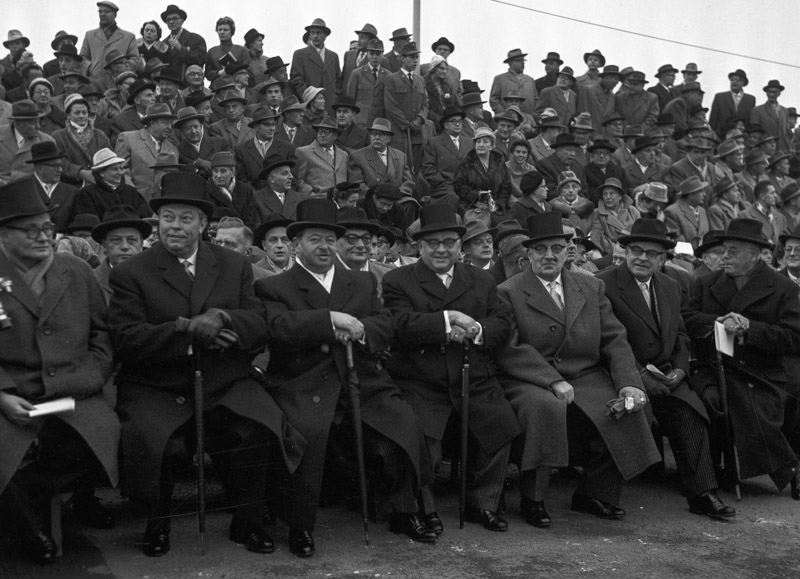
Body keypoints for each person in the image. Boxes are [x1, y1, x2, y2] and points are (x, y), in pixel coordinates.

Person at [108, 171, 305, 557]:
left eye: (185, 218)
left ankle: (246, 521)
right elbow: (126, 338)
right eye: (168, 218)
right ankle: (157, 523)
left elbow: (259, 325)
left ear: (203, 224)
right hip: (158, 384)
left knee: (258, 427)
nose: (175, 226)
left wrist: (224, 318)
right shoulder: (133, 272)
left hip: (224, 378)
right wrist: (188, 330)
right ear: (158, 222)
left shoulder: (233, 265)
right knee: (155, 441)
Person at [254, 198, 435, 557]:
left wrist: (360, 329)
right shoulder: (276, 287)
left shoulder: (362, 281)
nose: (322, 247)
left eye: (328, 240)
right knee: (303, 436)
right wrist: (329, 321)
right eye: (313, 239)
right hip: (304, 383)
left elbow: (385, 324)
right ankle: (300, 524)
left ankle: (405, 510)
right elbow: (277, 328)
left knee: (403, 423)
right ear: (295, 245)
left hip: (361, 379)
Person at [496, 211, 660, 528]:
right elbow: (510, 349)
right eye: (541, 250)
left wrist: (630, 383)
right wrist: (552, 381)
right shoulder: (509, 291)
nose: (549, 256)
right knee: (545, 408)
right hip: (531, 380)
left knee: (629, 407)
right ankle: (533, 498)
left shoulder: (590, 285)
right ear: (528, 254)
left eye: (556, 248)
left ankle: (594, 494)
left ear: (567, 249)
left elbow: (615, 338)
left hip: (586, 376)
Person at [0, 178, 120, 564]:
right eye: (30, 230)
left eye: (48, 228)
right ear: (4, 234)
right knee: (5, 456)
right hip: (12, 394)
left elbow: (103, 336)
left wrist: (90, 377)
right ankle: (29, 532)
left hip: (75, 392)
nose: (43, 237)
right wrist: (1, 396)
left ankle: (47, 503)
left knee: (101, 441)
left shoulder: (76, 271)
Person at [382, 204, 520, 532]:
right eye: (432, 244)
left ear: (460, 246)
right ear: (419, 246)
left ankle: (482, 503)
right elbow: (400, 324)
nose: (441, 250)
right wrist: (447, 321)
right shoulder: (397, 280)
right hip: (421, 377)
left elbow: (502, 320)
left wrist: (477, 330)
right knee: (420, 438)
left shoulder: (480, 279)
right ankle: (415, 508)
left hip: (471, 374)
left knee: (501, 425)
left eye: (449, 243)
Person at [597, 219, 735, 519]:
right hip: (621, 378)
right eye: (636, 250)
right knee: (625, 416)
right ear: (625, 251)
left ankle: (702, 494)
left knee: (691, 413)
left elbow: (682, 335)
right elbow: (605, 343)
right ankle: (599, 495)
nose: (642, 258)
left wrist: (681, 371)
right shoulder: (603, 283)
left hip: (667, 376)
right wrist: (642, 377)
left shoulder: (671, 286)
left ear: (662, 259)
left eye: (651, 253)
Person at [683, 218, 800, 498]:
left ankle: (785, 467)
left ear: (755, 254)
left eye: (733, 251)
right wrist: (721, 323)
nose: (724, 257)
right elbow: (687, 319)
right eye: (724, 250)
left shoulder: (784, 288)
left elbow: (793, 337)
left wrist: (750, 328)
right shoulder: (705, 283)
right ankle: (784, 468)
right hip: (713, 367)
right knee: (714, 398)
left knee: (752, 402)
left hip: (761, 369)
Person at [114, 102, 179, 200]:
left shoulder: (173, 149)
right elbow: (121, 170)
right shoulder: (128, 138)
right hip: (134, 201)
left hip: (163, 204)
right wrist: (133, 195)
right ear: (152, 123)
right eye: (165, 123)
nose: (169, 127)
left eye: (170, 123)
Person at [91, 204, 151, 304]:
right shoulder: (90, 282)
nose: (125, 246)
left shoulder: (159, 277)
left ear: (141, 244)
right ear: (104, 246)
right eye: (116, 240)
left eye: (131, 240)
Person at [383, 42, 428, 168]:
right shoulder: (392, 79)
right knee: (400, 168)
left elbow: (425, 105)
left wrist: (419, 121)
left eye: (416, 57)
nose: (415, 60)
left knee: (416, 168)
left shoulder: (420, 80)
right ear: (402, 58)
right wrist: (407, 124)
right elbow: (391, 106)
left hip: (417, 134)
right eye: (411, 57)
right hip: (399, 134)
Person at [73, 148, 151, 221]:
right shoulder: (87, 194)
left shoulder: (131, 192)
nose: (120, 172)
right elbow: (90, 222)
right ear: (101, 173)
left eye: (120, 168)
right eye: (115, 169)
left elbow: (144, 217)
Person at [453, 126, 511, 219]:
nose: (481, 145)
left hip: (495, 209)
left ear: (492, 146)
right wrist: (477, 197)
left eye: (485, 141)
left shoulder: (499, 161)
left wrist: (497, 205)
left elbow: (506, 187)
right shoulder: (466, 161)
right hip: (471, 208)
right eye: (478, 142)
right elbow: (459, 186)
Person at [421, 106, 473, 209]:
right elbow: (428, 169)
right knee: (453, 197)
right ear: (445, 125)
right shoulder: (434, 142)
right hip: (444, 188)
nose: (457, 124)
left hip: (466, 186)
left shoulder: (470, 143)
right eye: (453, 121)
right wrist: (443, 182)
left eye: (460, 121)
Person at [51, 94, 110, 182]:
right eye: (77, 113)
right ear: (68, 115)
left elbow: (109, 158)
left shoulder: (100, 135)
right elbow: (59, 161)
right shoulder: (58, 136)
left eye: (84, 112)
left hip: (99, 182)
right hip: (72, 184)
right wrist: (80, 173)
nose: (81, 116)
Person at [347, 117, 412, 194]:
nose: (377, 138)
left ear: (389, 138)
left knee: (411, 204)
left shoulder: (401, 156)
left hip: (397, 198)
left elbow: (408, 182)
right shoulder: (357, 156)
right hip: (371, 199)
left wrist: (397, 194)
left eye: (381, 134)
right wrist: (376, 197)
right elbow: (357, 184)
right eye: (374, 134)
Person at [234, 106, 294, 189]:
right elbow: (242, 179)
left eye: (273, 124)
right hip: (253, 197)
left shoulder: (287, 147)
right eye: (267, 125)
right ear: (256, 127)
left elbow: (294, 178)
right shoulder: (241, 150)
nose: (272, 128)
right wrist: (255, 196)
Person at [289, 18, 340, 114]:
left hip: (329, 107)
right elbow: (296, 80)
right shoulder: (300, 54)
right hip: (309, 108)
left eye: (318, 33)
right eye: (312, 33)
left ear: (325, 36)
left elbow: (338, 81)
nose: (315, 36)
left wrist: (335, 97)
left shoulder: (333, 56)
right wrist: (310, 98)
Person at [25, 141, 78, 230]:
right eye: (55, 166)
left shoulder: (73, 192)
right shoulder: (24, 189)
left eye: (60, 165)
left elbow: (75, 226)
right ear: (40, 168)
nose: (60, 170)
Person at [0, 100, 56, 184]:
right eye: (33, 123)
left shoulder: (47, 141)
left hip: (32, 190)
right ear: (17, 124)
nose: (38, 127)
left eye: (38, 121)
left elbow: (51, 174)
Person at [80, 1, 138, 81]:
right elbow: (82, 58)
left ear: (115, 14)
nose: (102, 14)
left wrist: (123, 70)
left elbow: (135, 59)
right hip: (95, 82)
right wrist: (90, 67)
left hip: (118, 82)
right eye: (100, 12)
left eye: (106, 11)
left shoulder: (128, 37)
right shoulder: (90, 35)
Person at [204, 151, 259, 231]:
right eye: (215, 171)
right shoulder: (206, 189)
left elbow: (252, 218)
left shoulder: (246, 190)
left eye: (223, 171)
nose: (218, 175)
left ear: (232, 172)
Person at [293, 116, 348, 196]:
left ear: (335, 136)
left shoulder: (344, 155)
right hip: (318, 199)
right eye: (320, 132)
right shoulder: (304, 152)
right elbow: (298, 179)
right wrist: (310, 193)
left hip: (341, 200)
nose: (322, 135)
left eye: (327, 132)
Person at [173, 106, 229, 179]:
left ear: (201, 126)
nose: (193, 131)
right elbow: (181, 174)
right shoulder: (178, 151)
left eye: (196, 126)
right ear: (181, 131)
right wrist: (195, 164)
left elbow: (232, 168)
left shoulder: (220, 143)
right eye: (188, 128)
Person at [590, 177, 641, 255]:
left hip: (634, 251)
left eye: (612, 193)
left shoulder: (633, 211)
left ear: (620, 196)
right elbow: (599, 236)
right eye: (605, 194)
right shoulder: (597, 213)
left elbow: (639, 235)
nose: (608, 197)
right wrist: (620, 251)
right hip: (610, 253)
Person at [347, 38, 389, 129]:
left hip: (380, 123)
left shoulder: (388, 75)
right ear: (367, 54)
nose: (375, 57)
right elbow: (350, 100)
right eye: (372, 53)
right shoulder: (357, 74)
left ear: (382, 55)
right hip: (360, 123)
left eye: (378, 54)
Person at [159, 4, 207, 79]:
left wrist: (181, 49)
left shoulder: (196, 39)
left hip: (189, 85)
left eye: (175, 18)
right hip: (170, 85)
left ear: (182, 20)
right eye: (168, 19)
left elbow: (200, 60)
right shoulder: (164, 43)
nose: (171, 22)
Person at [253, 155, 307, 221]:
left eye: (290, 172)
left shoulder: (302, 199)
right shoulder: (255, 199)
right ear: (272, 179)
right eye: (285, 173)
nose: (291, 177)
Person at [664, 176, 710, 250]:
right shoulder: (672, 211)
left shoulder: (702, 211)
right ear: (691, 195)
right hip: (685, 258)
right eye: (701, 191)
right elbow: (678, 241)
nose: (704, 194)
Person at [709, 69, 756, 139]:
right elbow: (713, 120)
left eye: (738, 80)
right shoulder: (720, 97)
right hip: (722, 137)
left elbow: (750, 121)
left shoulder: (750, 99)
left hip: (741, 139)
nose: (734, 82)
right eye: (732, 80)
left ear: (743, 83)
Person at [490, 48, 538, 116]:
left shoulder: (530, 80)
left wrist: (532, 116)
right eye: (519, 61)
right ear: (510, 63)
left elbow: (536, 100)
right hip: (507, 122)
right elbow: (494, 100)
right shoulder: (500, 79)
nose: (522, 63)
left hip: (528, 121)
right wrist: (504, 114)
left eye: (523, 60)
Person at [750, 80, 791, 153]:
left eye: (775, 92)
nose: (772, 94)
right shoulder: (757, 110)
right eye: (769, 92)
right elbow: (754, 133)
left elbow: (787, 131)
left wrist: (788, 146)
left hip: (783, 150)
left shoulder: (784, 111)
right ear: (766, 93)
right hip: (765, 150)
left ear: (779, 93)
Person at [205, 16, 250, 83]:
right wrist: (219, 73)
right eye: (219, 30)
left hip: (237, 87)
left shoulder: (242, 51)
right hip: (217, 88)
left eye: (225, 30)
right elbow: (207, 74)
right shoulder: (212, 52)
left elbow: (248, 71)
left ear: (232, 32)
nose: (222, 32)